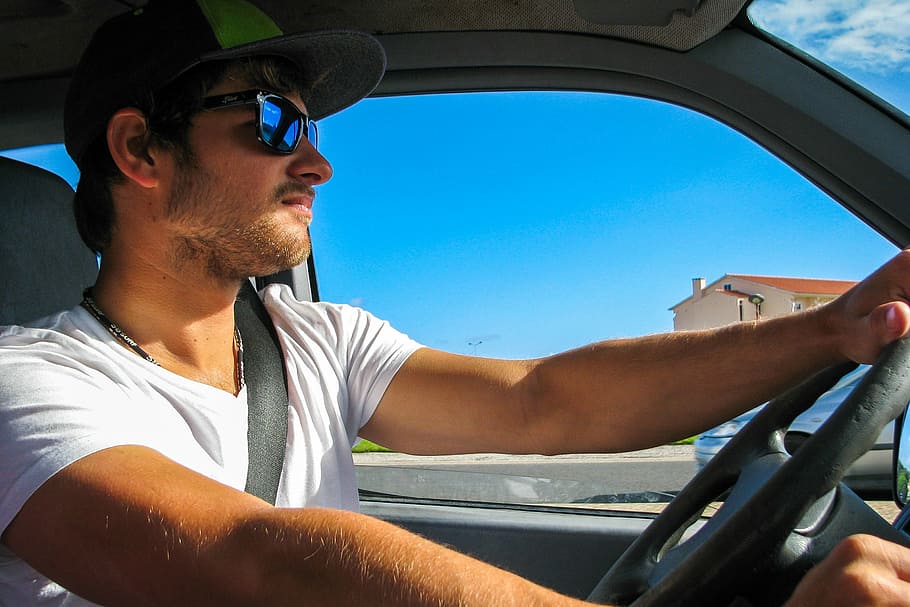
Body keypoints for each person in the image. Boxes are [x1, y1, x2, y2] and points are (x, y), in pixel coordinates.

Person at [0, 0, 908, 605]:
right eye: (274, 121)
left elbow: (544, 397)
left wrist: (840, 326)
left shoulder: (317, 340)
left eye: (310, 126)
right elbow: (259, 559)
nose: (317, 161)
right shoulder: (24, 385)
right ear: (140, 151)